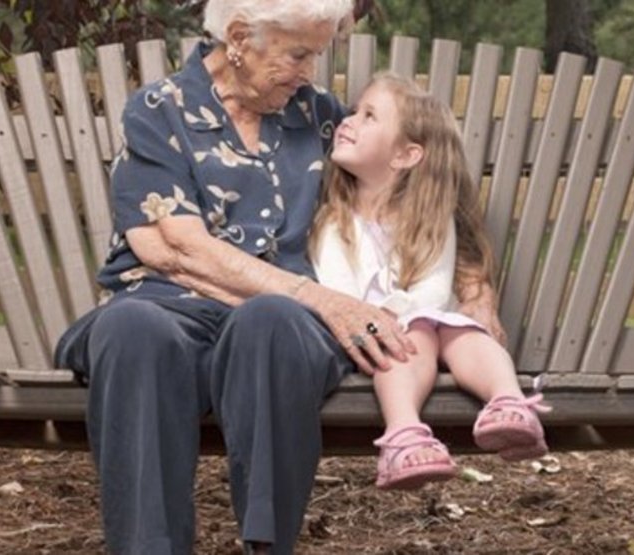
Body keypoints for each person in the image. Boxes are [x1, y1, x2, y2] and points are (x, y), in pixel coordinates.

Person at [48, 1, 501, 553]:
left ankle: (267, 544)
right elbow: (173, 248)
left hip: (284, 329)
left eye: (315, 54)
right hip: (169, 308)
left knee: (270, 319)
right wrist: (323, 299)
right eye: (299, 54)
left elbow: (435, 184)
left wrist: (478, 296)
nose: (311, 71)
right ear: (239, 37)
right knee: (132, 330)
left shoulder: (316, 117)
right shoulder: (158, 111)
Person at [309, 73, 551, 491]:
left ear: (406, 155)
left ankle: (508, 403)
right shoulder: (333, 222)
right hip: (365, 339)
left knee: (468, 333)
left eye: (368, 116)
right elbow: (339, 296)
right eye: (353, 112)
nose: (348, 122)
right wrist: (393, 320)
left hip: (426, 327)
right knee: (419, 331)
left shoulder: (430, 220)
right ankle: (403, 435)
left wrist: (407, 316)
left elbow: (436, 291)